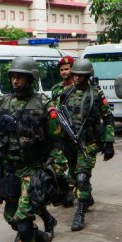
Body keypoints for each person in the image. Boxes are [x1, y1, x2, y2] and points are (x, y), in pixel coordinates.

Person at [0, 56, 64, 242]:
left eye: (20, 76)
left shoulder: (44, 105)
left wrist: (55, 171)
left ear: (31, 78)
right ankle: (41, 238)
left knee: (23, 221)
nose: (15, 80)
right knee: (11, 218)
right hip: (10, 169)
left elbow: (57, 142)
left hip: (33, 169)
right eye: (13, 76)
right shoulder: (3, 103)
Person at [58, 59, 115, 231]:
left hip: (88, 143)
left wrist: (109, 142)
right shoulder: (65, 93)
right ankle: (87, 197)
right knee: (73, 178)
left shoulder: (96, 95)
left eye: (80, 75)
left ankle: (80, 212)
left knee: (83, 177)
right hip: (69, 143)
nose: (76, 78)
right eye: (75, 74)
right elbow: (57, 117)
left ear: (87, 76)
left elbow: (109, 118)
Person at [51, 55, 78, 208]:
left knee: (75, 164)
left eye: (67, 69)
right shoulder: (56, 88)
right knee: (58, 165)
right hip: (59, 132)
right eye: (61, 69)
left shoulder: (78, 87)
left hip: (74, 132)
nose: (64, 72)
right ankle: (65, 191)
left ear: (72, 70)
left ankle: (79, 190)